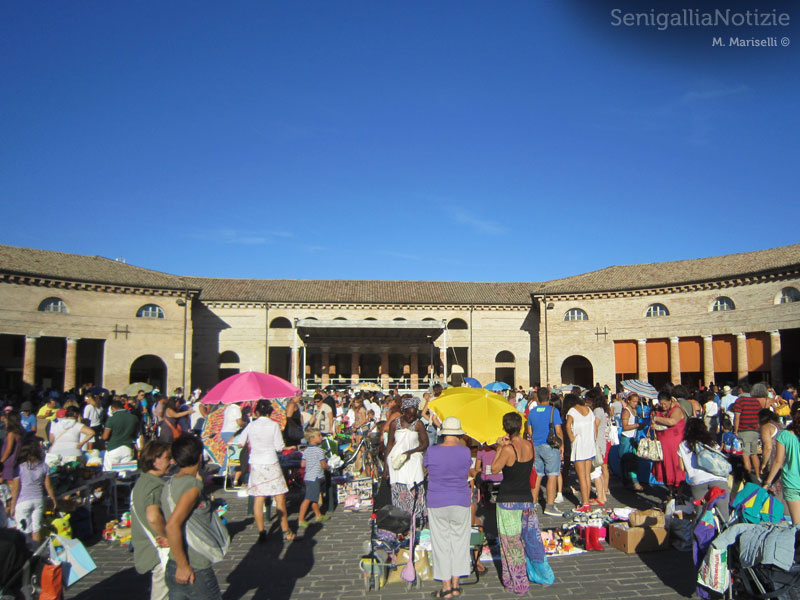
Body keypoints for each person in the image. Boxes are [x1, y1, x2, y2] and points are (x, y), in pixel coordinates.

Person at [491, 412, 552, 595]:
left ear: (505, 428)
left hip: (508, 500)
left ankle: (519, 582)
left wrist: (499, 448)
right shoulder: (529, 445)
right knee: (531, 540)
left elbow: (494, 469)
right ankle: (542, 574)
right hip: (526, 499)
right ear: (520, 427)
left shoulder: (508, 450)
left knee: (511, 544)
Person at [162, 435, 223, 599]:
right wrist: (183, 566)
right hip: (193, 565)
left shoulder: (170, 483)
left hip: (173, 562)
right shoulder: (193, 487)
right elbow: (172, 526)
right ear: (200, 457)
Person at [424, 416, 472, 599]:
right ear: (458, 434)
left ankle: (445, 586)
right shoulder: (465, 451)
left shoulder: (432, 451)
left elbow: (426, 469)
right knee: (460, 542)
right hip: (460, 498)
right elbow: (466, 470)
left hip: (437, 499)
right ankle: (456, 584)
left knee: (441, 544)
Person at [237, 399, 294, 542]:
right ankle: (285, 530)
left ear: (256, 412)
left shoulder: (251, 425)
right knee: (279, 497)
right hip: (271, 461)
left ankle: (261, 531)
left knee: (259, 498)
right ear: (270, 412)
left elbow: (240, 443)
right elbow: (279, 447)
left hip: (256, 463)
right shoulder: (274, 425)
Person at [131, 440, 172, 600]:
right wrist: (167, 536)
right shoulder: (154, 486)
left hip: (148, 547)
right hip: (157, 550)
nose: (171, 462)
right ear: (155, 460)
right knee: (163, 594)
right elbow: (153, 517)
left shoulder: (143, 481)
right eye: (168, 458)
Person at [384, 396, 428, 519]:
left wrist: (411, 452)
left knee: (415, 485)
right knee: (399, 486)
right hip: (397, 461)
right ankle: (401, 517)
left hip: (413, 460)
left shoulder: (418, 424)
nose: (411, 418)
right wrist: (386, 466)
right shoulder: (395, 424)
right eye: (409, 415)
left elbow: (425, 443)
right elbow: (389, 445)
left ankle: (417, 517)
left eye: (414, 415)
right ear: (404, 412)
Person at [677, 418, 730, 520]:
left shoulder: (683, 445)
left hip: (698, 481)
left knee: (701, 516)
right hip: (718, 479)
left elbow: (682, 467)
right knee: (724, 515)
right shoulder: (711, 442)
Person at [10, 439, 57, 542]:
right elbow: (48, 485)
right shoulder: (44, 466)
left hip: (23, 502)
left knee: (23, 530)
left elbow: (16, 489)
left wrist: (12, 505)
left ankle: (26, 550)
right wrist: (53, 498)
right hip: (38, 499)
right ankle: (37, 550)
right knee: (36, 528)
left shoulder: (19, 468)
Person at [762, 402, 800, 526]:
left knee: (797, 525)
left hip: (791, 482)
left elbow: (778, 461)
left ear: (791, 414)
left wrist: (767, 483)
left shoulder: (784, 435)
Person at [529, 388, 563, 516]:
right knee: (552, 475)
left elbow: (530, 431)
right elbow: (558, 431)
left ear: (537, 398)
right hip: (550, 446)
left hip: (536, 445)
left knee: (537, 475)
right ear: (549, 397)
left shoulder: (532, 412)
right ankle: (549, 505)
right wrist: (562, 445)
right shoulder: (553, 411)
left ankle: (533, 503)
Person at [651, 390, 687, 497]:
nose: (663, 406)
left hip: (675, 446)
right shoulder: (658, 410)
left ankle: (679, 494)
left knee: (676, 468)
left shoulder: (677, 410)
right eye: (661, 403)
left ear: (670, 401)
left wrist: (656, 418)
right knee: (665, 469)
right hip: (662, 446)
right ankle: (670, 491)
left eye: (665, 403)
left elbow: (672, 421)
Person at [566, 391, 596, 512]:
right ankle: (586, 500)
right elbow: (594, 426)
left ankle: (585, 503)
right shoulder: (589, 410)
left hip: (579, 444)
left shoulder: (572, 411)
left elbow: (568, 426)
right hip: (589, 444)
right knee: (587, 475)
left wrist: (571, 438)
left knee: (581, 476)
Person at [297, 428, 330, 529]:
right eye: (319, 435)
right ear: (312, 438)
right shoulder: (319, 450)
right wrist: (328, 467)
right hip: (315, 477)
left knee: (314, 497)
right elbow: (323, 464)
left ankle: (318, 515)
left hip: (308, 477)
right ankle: (301, 519)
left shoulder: (306, 450)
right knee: (308, 498)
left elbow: (303, 464)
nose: (321, 437)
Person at [733, 382, 767, 478]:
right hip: (755, 431)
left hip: (743, 431)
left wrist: (735, 430)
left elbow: (737, 417)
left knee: (745, 455)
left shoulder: (740, 401)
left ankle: (749, 478)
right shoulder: (756, 402)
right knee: (754, 454)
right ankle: (757, 476)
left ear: (741, 390)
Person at [103, 399, 140, 470]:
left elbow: (105, 437)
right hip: (128, 448)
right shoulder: (134, 418)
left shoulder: (111, 419)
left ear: (113, 408)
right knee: (125, 471)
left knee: (110, 472)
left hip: (113, 448)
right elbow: (136, 434)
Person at [590, 390, 612, 505]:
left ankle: (600, 496)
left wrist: (592, 440)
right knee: (601, 469)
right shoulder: (602, 409)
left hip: (598, 443)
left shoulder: (597, 410)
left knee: (596, 471)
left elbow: (595, 425)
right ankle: (603, 494)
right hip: (602, 442)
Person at [0, 410, 24, 510]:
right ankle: (12, 506)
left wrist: (1, 461)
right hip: (15, 460)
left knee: (5, 484)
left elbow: (8, 449)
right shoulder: (20, 433)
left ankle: (9, 507)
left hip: (8, 462)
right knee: (13, 485)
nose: (5, 421)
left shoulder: (11, 433)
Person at [619, 393, 643, 491]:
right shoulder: (626, 411)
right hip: (626, 438)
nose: (635, 403)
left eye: (637, 402)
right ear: (628, 401)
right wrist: (637, 425)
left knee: (633, 461)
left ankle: (632, 481)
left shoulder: (634, 411)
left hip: (633, 438)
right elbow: (625, 426)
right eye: (633, 401)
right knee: (627, 461)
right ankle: (630, 482)